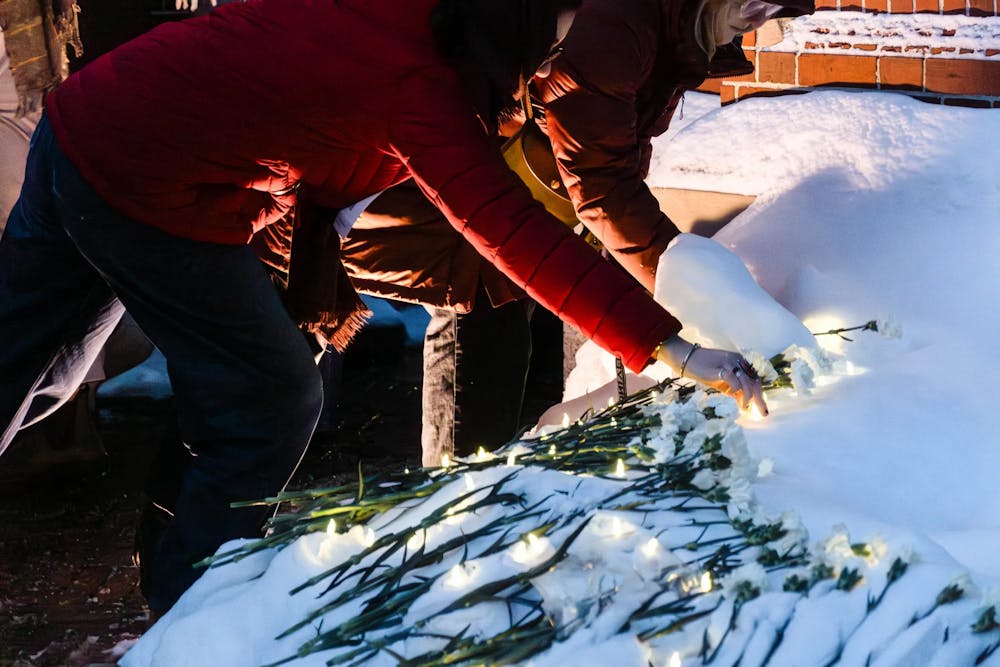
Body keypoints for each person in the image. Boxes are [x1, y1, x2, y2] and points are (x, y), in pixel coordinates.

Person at [0, 0, 763, 616]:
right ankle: (190, 616)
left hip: (87, 123)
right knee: (271, 394)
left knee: (32, 369)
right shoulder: (423, 89)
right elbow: (515, 235)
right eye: (550, 41)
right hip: (138, 172)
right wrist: (676, 349)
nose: (549, 65)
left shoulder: (414, 27)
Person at [338, 0, 814, 466]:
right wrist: (691, 296)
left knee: (510, 329)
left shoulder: (666, 28)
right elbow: (599, 181)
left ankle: (490, 492)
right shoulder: (613, 26)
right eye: (757, 3)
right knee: (478, 334)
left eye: (774, 8)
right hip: (474, 216)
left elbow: (613, 160)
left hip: (529, 211)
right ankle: (456, 509)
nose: (760, 17)